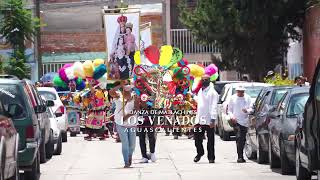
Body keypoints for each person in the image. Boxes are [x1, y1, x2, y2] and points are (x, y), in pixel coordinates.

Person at [110, 82, 138, 168]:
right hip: (120, 122)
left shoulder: (134, 96)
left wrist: (127, 116)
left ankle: (130, 156)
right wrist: (120, 85)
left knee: (132, 145)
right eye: (125, 86)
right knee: (125, 143)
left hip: (132, 123)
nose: (127, 87)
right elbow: (111, 91)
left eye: (128, 86)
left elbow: (137, 108)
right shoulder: (118, 95)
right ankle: (126, 161)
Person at [193, 74, 219, 163]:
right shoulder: (201, 90)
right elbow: (200, 102)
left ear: (209, 81)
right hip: (200, 119)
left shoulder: (212, 92)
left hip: (209, 120)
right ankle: (200, 153)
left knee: (210, 140)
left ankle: (211, 158)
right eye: (202, 80)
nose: (204, 81)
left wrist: (213, 119)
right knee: (197, 139)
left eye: (206, 80)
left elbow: (214, 106)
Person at [227, 86, 252, 163]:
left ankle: (241, 155)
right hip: (236, 121)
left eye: (242, 91)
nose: (241, 93)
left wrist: (247, 111)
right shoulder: (232, 98)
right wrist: (232, 117)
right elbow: (229, 110)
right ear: (236, 91)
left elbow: (251, 108)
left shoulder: (248, 98)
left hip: (245, 121)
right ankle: (240, 156)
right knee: (239, 137)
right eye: (239, 91)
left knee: (242, 139)